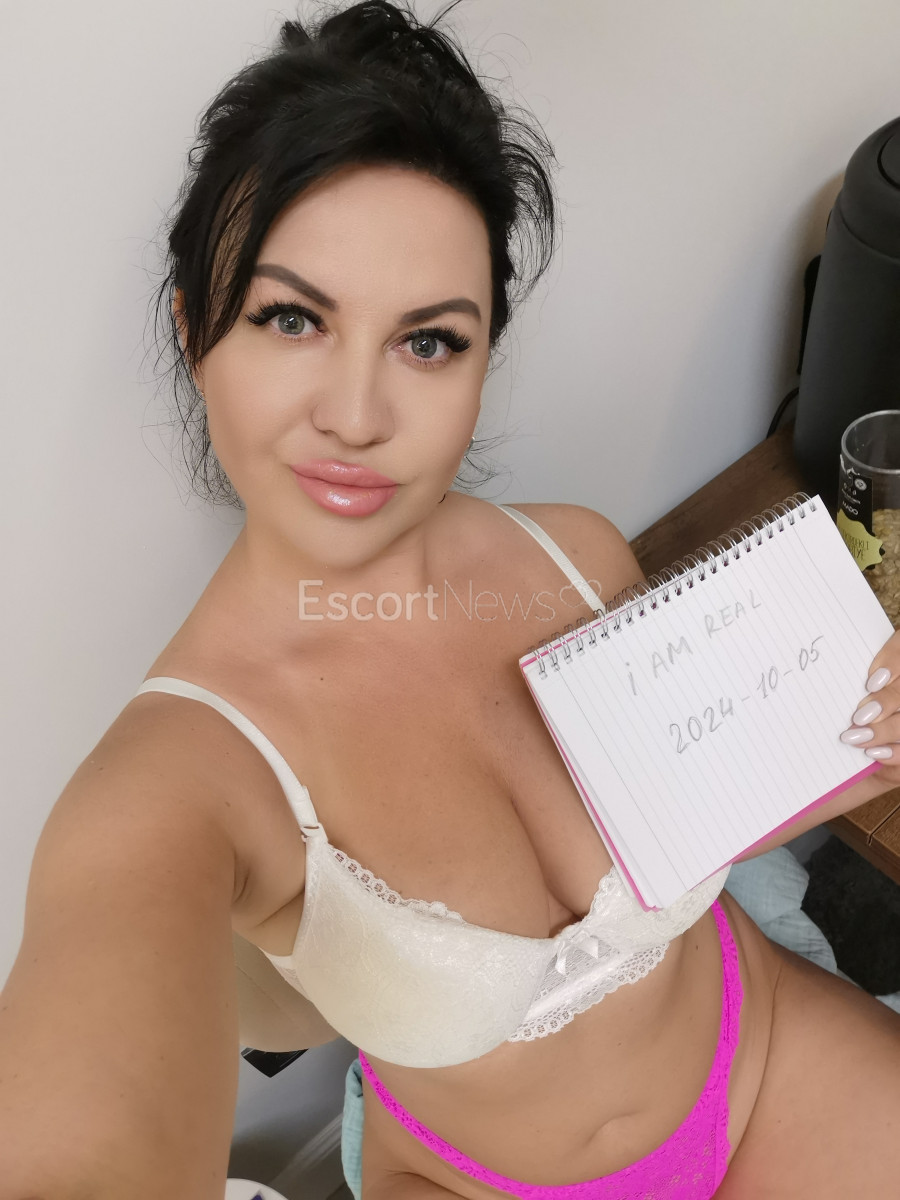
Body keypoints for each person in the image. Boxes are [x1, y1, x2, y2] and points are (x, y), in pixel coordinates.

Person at [2, 3, 900, 1197]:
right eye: (291, 319)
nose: (357, 416)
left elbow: (705, 803)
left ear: (484, 357)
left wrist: (859, 722)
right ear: (195, 332)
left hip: (762, 1056)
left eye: (428, 341)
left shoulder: (580, 558)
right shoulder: (176, 782)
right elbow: (83, 1124)